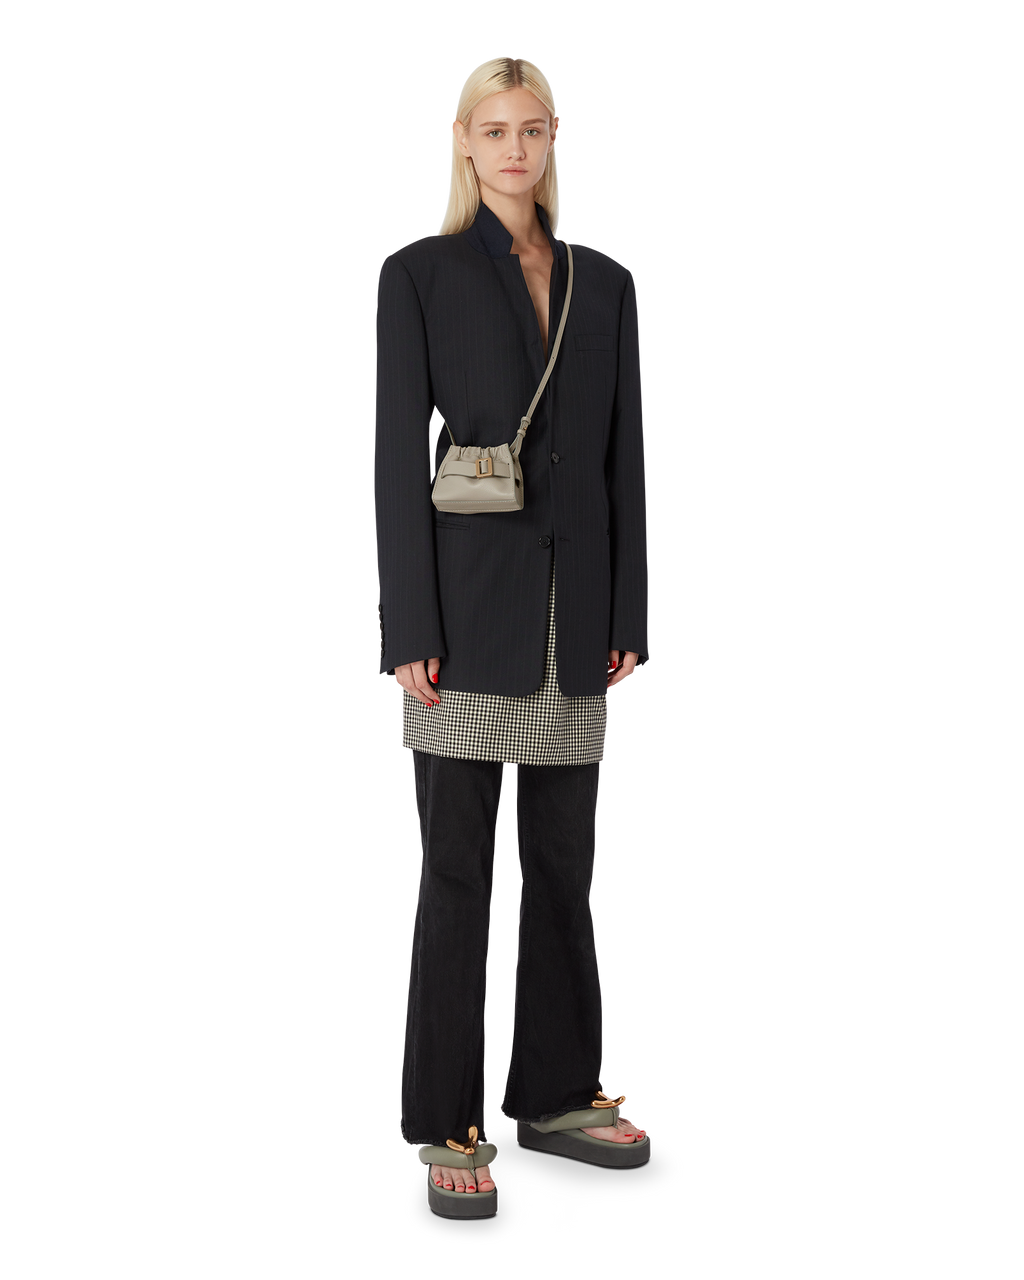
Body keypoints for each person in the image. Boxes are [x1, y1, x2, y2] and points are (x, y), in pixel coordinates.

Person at [373, 55, 651, 1219]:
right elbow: (396, 456)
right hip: (462, 616)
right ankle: (443, 1114)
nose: (514, 150)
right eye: (494, 130)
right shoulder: (416, 273)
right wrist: (405, 626)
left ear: (552, 140)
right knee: (453, 874)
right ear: (463, 141)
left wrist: (628, 613)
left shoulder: (605, 280)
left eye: (531, 129)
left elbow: (623, 458)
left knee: (564, 871)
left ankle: (555, 1090)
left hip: (574, 619)